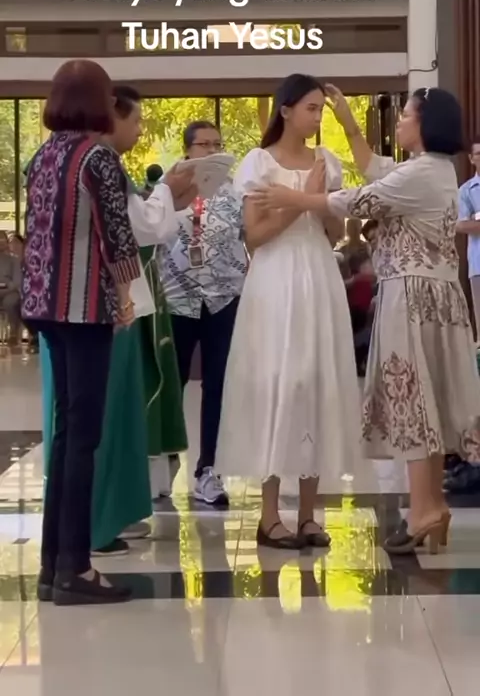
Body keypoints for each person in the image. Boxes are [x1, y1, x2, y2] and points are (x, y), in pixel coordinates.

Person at [254, 84, 480, 554]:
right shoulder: (433, 169)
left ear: (425, 123)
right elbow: (375, 169)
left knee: (411, 401)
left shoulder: (420, 173)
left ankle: (424, 510)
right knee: (428, 404)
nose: (400, 121)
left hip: (411, 298)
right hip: (435, 297)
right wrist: (349, 123)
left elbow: (354, 201)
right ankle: (431, 506)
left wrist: (291, 197)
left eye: (407, 115)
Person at [39, 85, 194, 556]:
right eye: (135, 119)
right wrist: (167, 191)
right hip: (97, 309)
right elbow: (132, 231)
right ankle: (90, 533)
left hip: (55, 306)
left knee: (76, 427)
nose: (139, 129)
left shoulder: (49, 156)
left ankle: (67, 545)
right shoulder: (98, 160)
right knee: (95, 426)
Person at [215, 74, 361, 549]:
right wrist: (299, 204)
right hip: (275, 281)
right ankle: (269, 514)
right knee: (279, 382)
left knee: (314, 382)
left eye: (321, 109)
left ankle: (309, 515)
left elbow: (336, 233)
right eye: (311, 109)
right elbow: (254, 237)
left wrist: (319, 201)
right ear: (286, 110)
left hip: (318, 275)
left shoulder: (327, 162)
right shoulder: (259, 163)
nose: (317, 118)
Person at [22, 59, 141, 606]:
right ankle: (75, 569)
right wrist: (126, 297)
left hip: (45, 305)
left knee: (66, 433)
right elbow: (117, 235)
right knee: (84, 436)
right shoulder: (98, 156)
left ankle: (53, 565)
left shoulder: (42, 156)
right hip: (86, 307)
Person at [159, 120, 248, 507]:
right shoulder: (169, 188)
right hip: (176, 298)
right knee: (171, 382)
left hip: (224, 299)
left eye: (217, 144)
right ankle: (164, 460)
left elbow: (252, 237)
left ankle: (209, 470)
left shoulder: (236, 193)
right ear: (188, 150)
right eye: (204, 145)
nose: (212, 151)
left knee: (218, 385)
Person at [457, 138, 480, 342]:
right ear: (471, 158)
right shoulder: (466, 191)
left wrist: (476, 218)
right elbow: (461, 225)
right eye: (479, 154)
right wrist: (471, 222)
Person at [0, 230, 21, 345]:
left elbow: (17, 282)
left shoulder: (14, 260)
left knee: (10, 302)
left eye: (2, 239)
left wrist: (8, 286)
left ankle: (13, 332)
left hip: (10, 292)